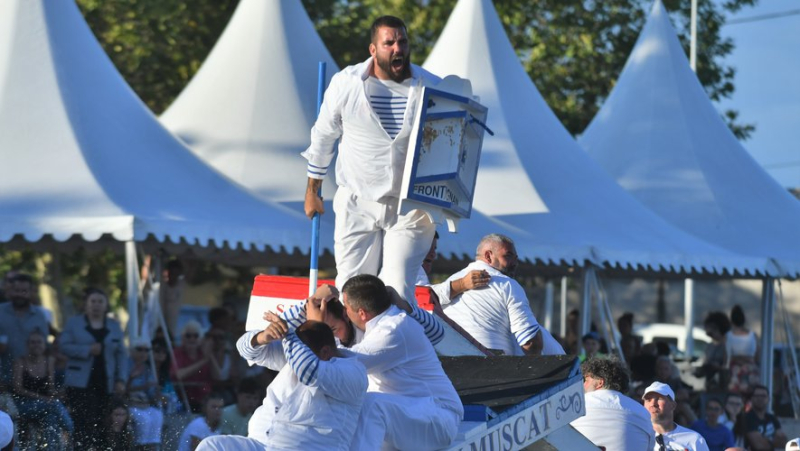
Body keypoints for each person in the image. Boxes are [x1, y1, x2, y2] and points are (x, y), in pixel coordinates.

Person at [302, 15, 442, 306]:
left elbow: (451, 144)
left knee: (398, 291)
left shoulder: (432, 86)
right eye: (388, 43)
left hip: (410, 207)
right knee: (352, 290)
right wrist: (312, 191)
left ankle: (399, 348)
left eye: (402, 41)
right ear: (373, 49)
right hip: (357, 199)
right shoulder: (346, 84)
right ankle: (352, 350)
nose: (397, 48)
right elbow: (323, 137)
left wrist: (445, 200)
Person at [202, 320, 367, 450]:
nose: (291, 358)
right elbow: (245, 349)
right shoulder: (297, 355)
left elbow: (307, 369)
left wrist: (289, 336)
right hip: (261, 444)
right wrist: (264, 336)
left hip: (304, 448)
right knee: (211, 446)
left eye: (295, 351)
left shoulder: (352, 371)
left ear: (325, 352)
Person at [431, 234, 564, 356]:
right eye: (508, 256)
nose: (515, 263)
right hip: (494, 369)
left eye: (516, 258)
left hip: (449, 367)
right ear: (488, 256)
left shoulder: (451, 282)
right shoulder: (507, 284)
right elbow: (530, 342)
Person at [59, 287, 127, 448]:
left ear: (106, 305)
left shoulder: (114, 326)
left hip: (106, 381)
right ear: (86, 304)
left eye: (100, 301)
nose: (96, 305)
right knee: (83, 422)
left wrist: (121, 379)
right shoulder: (74, 323)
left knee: (104, 421)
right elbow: (63, 346)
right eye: (93, 301)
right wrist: (86, 350)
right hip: (80, 383)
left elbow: (122, 354)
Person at [571, 357, 655, 450]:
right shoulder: (642, 412)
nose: (583, 385)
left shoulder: (575, 404)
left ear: (600, 383)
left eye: (586, 380)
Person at [12, 331, 73, 449]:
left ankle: (53, 448)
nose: (36, 345)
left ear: (44, 345)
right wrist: (43, 399)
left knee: (51, 418)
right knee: (54, 406)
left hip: (45, 405)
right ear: (27, 345)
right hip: (23, 405)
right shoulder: (20, 362)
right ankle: (70, 428)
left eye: (39, 342)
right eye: (32, 342)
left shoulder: (49, 361)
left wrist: (56, 394)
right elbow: (18, 389)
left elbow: (50, 388)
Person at [0, 273, 49, 383]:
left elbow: (44, 345)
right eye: (17, 290)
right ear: (10, 291)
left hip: (30, 379)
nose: (20, 295)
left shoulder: (39, 315)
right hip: (3, 376)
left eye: (24, 291)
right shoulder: (0, 312)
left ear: (31, 292)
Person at [642, 381, 709, 451]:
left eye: (659, 398)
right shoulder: (636, 437)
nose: (653, 403)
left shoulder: (694, 440)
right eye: (648, 400)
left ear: (673, 405)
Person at [171, 321, 219, 412]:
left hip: (204, 399)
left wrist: (210, 354)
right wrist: (203, 361)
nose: (192, 339)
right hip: (183, 400)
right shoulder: (177, 353)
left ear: (200, 339)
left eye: (196, 336)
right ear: (182, 338)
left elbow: (218, 376)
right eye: (188, 336)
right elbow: (179, 375)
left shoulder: (203, 353)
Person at [126, 337, 164, 450]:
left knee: (157, 415)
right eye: (140, 349)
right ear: (132, 350)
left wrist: (157, 392)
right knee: (144, 420)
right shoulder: (125, 365)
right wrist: (132, 380)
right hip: (130, 404)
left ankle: (153, 447)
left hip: (144, 404)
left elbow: (151, 393)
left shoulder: (147, 368)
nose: (143, 353)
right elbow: (120, 390)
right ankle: (140, 447)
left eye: (146, 350)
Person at [726, 305, 760, 394]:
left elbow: (726, 357)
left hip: (735, 370)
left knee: (736, 394)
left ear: (731, 320)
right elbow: (758, 355)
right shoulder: (753, 335)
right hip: (751, 368)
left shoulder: (728, 336)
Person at [742, 384, 787, 450]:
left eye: (763, 396)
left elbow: (784, 442)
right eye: (757, 396)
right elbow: (760, 446)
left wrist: (765, 441)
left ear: (769, 399)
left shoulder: (772, 418)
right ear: (751, 398)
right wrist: (773, 441)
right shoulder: (747, 418)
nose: (760, 398)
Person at [696, 312, 731, 393]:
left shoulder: (727, 345)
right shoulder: (710, 346)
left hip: (723, 384)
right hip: (709, 384)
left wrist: (717, 367)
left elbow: (727, 366)